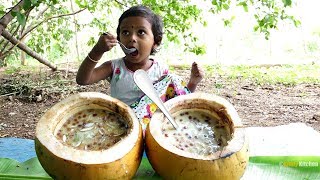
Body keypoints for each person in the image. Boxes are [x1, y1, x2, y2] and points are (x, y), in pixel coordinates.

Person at [77, 5, 204, 130]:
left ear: (155, 42)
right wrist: (97, 51)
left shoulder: (161, 70)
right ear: (119, 38)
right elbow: (83, 80)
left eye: (141, 32)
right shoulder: (114, 67)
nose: (132, 38)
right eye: (125, 32)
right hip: (122, 129)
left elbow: (176, 102)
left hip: (152, 132)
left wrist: (192, 83)